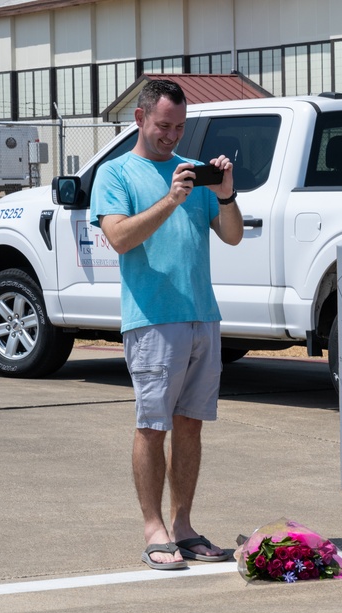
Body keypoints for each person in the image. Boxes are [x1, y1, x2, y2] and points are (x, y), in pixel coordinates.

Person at [90, 80, 244, 570]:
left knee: (191, 426)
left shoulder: (193, 177)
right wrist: (170, 199)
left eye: (179, 127)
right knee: (152, 426)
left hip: (202, 316)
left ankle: (183, 526)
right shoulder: (117, 174)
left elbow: (234, 236)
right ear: (139, 119)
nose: (171, 136)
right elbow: (118, 237)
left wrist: (224, 194)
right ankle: (152, 527)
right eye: (163, 126)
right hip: (153, 320)